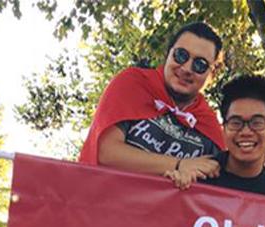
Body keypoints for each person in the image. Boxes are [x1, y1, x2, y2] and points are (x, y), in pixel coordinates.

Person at [79, 22, 226, 186]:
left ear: (212, 75)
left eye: (200, 64)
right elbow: (106, 153)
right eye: (181, 55)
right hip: (104, 204)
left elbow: (223, 179)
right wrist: (179, 164)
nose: (186, 69)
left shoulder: (210, 125)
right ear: (168, 55)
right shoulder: (133, 84)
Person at [169, 74, 265, 210]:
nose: (246, 132)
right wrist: (173, 185)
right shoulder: (199, 175)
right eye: (236, 122)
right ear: (224, 128)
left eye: (257, 122)